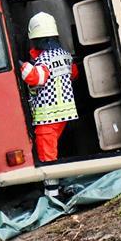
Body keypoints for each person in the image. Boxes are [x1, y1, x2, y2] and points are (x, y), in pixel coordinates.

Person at [19, 11, 79, 171]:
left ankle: (53, 189)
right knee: (52, 149)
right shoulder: (65, 55)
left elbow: (35, 78)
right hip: (65, 113)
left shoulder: (44, 59)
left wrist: (22, 66)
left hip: (48, 116)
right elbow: (74, 73)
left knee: (47, 158)